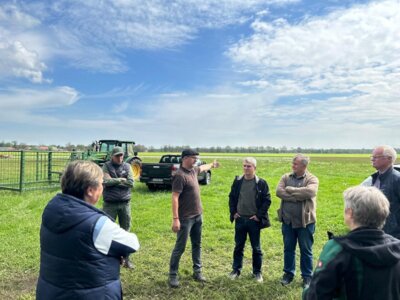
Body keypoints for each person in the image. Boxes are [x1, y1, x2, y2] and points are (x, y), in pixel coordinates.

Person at [36, 160, 139, 300]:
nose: (103, 188)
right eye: (101, 184)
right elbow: (132, 243)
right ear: (90, 190)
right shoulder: (98, 224)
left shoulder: (51, 210)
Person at [303, 186, 400, 299]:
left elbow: (316, 295)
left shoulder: (338, 250)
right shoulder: (397, 247)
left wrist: (306, 292)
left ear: (350, 213)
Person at [168, 149, 220, 288]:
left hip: (198, 215)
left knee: (197, 244)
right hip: (185, 218)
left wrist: (212, 164)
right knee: (180, 247)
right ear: (184, 158)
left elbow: (203, 167)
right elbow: (174, 197)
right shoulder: (179, 175)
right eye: (193, 158)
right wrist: (175, 218)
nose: (196, 160)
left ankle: (197, 272)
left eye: (196, 158)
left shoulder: (193, 171)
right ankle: (173, 275)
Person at [276, 154, 319, 289]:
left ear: (304, 166)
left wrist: (290, 190)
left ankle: (307, 277)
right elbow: (279, 192)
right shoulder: (286, 177)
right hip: (288, 221)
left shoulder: (312, 179)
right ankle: (288, 274)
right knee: (288, 249)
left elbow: (310, 192)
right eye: (293, 163)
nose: (292, 166)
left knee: (306, 250)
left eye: (295, 164)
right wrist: (297, 197)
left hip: (305, 222)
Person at [228, 157, 271, 283]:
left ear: (255, 168)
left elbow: (267, 200)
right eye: (244, 166)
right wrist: (234, 212)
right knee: (238, 246)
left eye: (249, 166)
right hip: (240, 219)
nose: (246, 168)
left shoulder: (261, 183)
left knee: (256, 248)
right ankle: (236, 270)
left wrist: (258, 216)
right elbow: (231, 197)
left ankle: (257, 272)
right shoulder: (237, 181)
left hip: (254, 221)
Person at [102, 146, 135, 268]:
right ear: (112, 156)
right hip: (110, 204)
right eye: (117, 156)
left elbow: (131, 182)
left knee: (125, 231)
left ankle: (126, 259)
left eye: (121, 155)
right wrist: (121, 180)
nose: (120, 158)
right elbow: (105, 182)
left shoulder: (127, 166)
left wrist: (114, 180)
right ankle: (108, 259)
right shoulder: (106, 166)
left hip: (125, 204)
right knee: (106, 231)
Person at [366, 145, 400, 239]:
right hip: (378, 232)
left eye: (376, 157)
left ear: (389, 159)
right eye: (372, 157)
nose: (372, 159)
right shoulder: (375, 178)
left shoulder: (397, 179)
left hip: (394, 235)